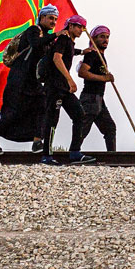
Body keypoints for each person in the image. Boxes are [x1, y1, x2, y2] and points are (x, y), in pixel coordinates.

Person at [0, 4, 61, 155]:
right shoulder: (33, 30)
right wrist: (56, 34)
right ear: (42, 17)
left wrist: (80, 52)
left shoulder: (47, 38)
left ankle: (37, 141)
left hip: (33, 81)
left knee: (41, 106)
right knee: (13, 112)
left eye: (56, 19)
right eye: (51, 18)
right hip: (19, 79)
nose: (53, 22)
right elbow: (35, 43)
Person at [39, 14, 95, 165]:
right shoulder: (63, 38)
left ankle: (75, 152)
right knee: (52, 120)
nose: (81, 30)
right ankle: (47, 156)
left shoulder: (68, 42)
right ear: (70, 26)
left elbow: (69, 51)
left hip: (63, 88)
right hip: (55, 86)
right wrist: (70, 80)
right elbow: (57, 58)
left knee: (79, 114)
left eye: (83, 27)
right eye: (79, 27)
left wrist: (82, 52)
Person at [70, 25, 117, 152]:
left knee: (110, 128)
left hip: (99, 99)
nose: (105, 40)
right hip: (90, 98)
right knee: (83, 128)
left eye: (107, 37)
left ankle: (112, 158)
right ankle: (73, 153)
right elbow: (83, 72)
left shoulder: (101, 56)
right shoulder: (92, 54)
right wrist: (104, 78)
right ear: (94, 38)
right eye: (102, 37)